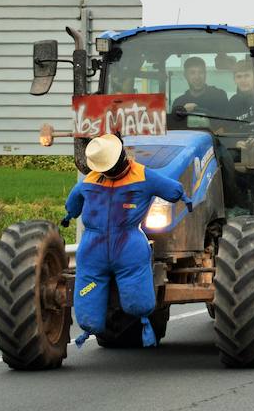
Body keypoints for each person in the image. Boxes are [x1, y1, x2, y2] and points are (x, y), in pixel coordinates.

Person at [61, 133, 188, 349]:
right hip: (128, 248)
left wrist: (68, 215)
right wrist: (184, 196)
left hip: (92, 250)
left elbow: (72, 204)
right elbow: (174, 190)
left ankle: (90, 326)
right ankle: (143, 320)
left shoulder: (89, 179)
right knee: (137, 296)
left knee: (89, 289)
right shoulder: (143, 175)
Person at [226, 57, 254, 124]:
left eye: (247, 75)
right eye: (239, 77)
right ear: (234, 80)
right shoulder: (233, 102)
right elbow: (230, 127)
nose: (243, 80)